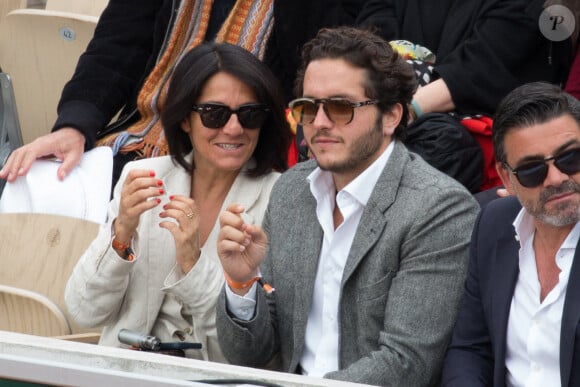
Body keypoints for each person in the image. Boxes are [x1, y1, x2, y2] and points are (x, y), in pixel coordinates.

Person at [215, 26, 479, 385]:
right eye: (308, 107)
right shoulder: (293, 189)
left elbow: (406, 364)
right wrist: (242, 283)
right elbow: (250, 354)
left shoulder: (439, 209)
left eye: (340, 107)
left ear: (391, 117)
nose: (319, 123)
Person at [64, 42, 292, 361]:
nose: (234, 128)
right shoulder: (142, 175)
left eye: (250, 114)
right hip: (124, 373)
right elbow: (85, 309)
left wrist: (192, 263)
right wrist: (121, 235)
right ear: (185, 119)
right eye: (215, 114)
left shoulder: (284, 198)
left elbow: (255, 346)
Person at [0, 0, 365, 187]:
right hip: (143, 144)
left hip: (245, 154)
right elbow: (114, 49)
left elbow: (318, 69)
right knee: (26, 185)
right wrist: (74, 127)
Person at [353, 0, 574, 193]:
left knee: (441, 148)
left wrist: (399, 114)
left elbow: (473, 72)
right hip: (386, 107)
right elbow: (367, 46)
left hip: (466, 136)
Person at [441, 82, 580, 386]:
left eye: (571, 158)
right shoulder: (493, 223)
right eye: (532, 170)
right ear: (506, 177)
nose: (556, 179)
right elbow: (470, 348)